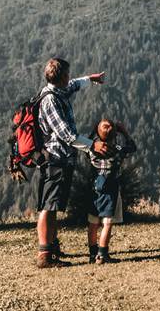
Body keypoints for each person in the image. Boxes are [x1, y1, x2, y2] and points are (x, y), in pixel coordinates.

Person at [36, 58, 107, 268]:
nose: (70, 77)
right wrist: (91, 145)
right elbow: (67, 134)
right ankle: (44, 255)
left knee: (53, 204)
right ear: (62, 77)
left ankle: (51, 247)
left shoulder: (58, 90)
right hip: (55, 159)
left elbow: (74, 84)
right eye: (68, 73)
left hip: (60, 158)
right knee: (48, 206)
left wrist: (90, 80)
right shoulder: (50, 100)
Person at [87, 119, 136, 264]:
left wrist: (94, 131)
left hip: (94, 188)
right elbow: (132, 147)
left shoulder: (92, 150)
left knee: (93, 222)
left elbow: (87, 142)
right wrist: (124, 132)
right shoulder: (118, 151)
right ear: (115, 135)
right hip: (110, 188)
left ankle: (92, 254)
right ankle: (102, 254)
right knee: (107, 222)